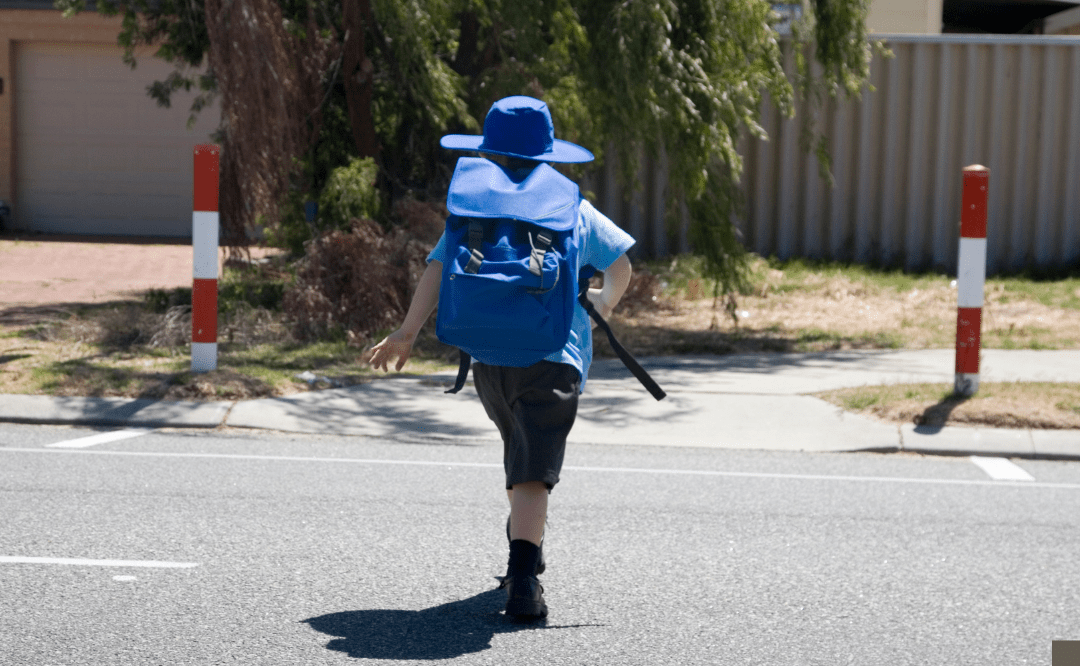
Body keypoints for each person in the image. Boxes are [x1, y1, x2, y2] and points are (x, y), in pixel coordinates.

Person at [366, 96, 635, 620]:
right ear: (549, 157)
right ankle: (522, 581)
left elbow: (437, 271)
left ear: (488, 154)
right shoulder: (575, 210)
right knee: (534, 472)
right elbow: (621, 266)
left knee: (521, 461)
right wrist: (601, 303)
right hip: (555, 357)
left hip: (488, 356)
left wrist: (406, 332)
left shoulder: (473, 210)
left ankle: (523, 555)